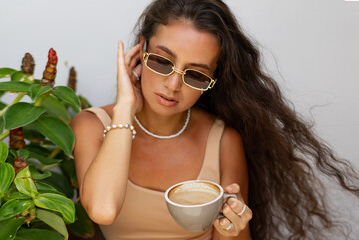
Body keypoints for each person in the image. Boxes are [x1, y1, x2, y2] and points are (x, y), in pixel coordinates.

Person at [70, 0, 359, 239]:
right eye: (162, 61)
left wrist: (234, 226)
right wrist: (124, 109)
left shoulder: (222, 141)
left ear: (212, 79)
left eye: (195, 74)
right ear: (140, 51)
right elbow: (102, 210)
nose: (173, 85)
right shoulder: (92, 125)